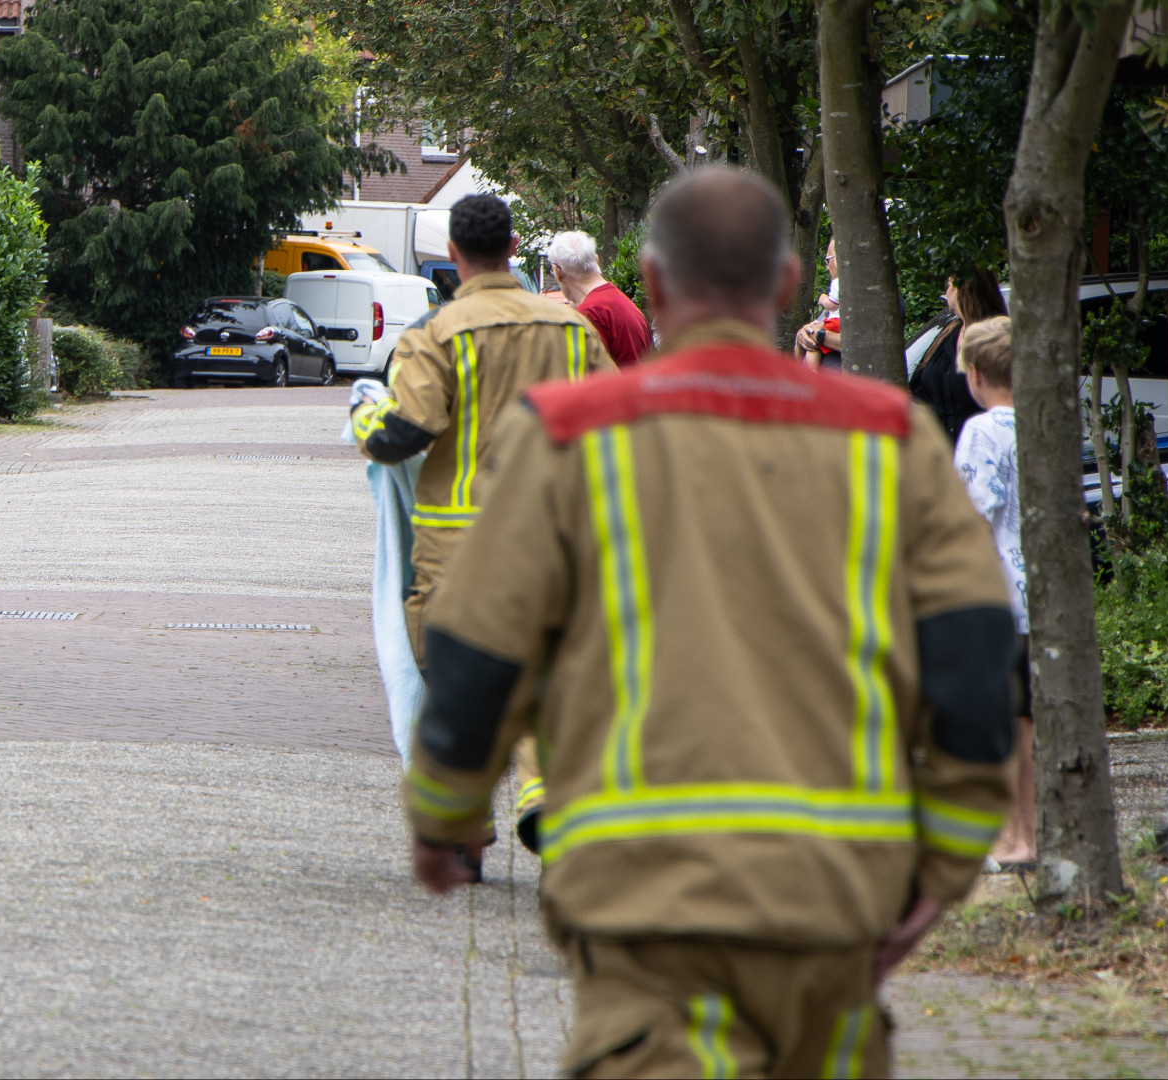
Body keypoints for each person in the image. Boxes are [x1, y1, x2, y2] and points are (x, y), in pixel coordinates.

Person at [401, 166, 1017, 1078]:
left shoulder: (567, 435)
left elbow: (478, 648)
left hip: (646, 894)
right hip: (832, 894)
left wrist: (446, 809)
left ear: (649, 284)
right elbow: (976, 662)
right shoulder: (890, 440)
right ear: (786, 285)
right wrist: (946, 865)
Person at [352, 194, 615, 872]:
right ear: (513, 246)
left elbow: (399, 434)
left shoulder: (436, 336)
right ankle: (541, 789)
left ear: (452, 255)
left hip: (454, 547)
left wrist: (362, 416)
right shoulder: (571, 333)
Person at [953, 316, 1035, 872]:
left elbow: (973, 515)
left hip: (996, 594)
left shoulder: (981, 433)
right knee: (1025, 720)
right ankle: (1026, 832)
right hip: (1039, 594)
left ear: (977, 373)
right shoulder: (1040, 424)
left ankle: (1008, 838)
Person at [911, 272, 1008, 445]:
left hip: (980, 445)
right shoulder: (947, 333)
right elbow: (920, 387)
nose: (946, 291)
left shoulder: (994, 337)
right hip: (941, 446)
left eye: (950, 285)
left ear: (964, 291)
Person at [548, 230, 653, 366]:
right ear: (596, 260)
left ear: (558, 271)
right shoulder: (622, 303)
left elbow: (586, 376)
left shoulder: (589, 315)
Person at [795, 239, 843, 369]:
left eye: (829, 259)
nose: (827, 266)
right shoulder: (837, 298)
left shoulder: (871, 300)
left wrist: (820, 336)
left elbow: (865, 342)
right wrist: (802, 335)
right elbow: (815, 329)